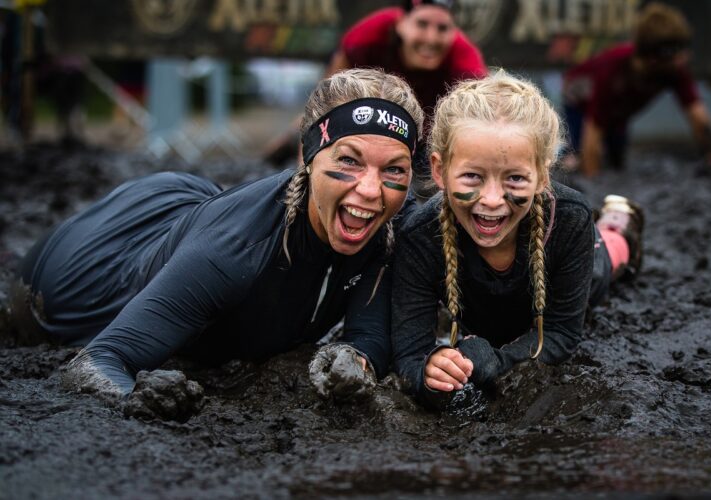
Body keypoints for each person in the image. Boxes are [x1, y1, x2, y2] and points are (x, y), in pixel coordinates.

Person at [8, 68, 424, 402]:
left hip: (192, 211)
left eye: (394, 170)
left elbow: (368, 333)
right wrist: (143, 402)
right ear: (307, 156)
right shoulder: (234, 250)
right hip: (73, 276)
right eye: (349, 161)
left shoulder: (388, 225)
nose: (372, 191)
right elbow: (98, 362)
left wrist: (357, 362)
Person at [390, 71, 644, 404]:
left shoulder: (569, 219)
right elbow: (410, 355)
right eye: (471, 177)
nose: (492, 199)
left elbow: (561, 334)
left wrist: (497, 362)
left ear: (542, 174)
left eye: (514, 179)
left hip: (569, 252)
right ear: (439, 170)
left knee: (605, 265)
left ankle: (619, 223)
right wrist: (431, 370)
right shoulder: (419, 237)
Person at [264, 0, 487, 189]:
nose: (431, 38)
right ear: (401, 23)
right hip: (361, 119)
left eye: (442, 29)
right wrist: (305, 178)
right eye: (422, 24)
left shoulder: (463, 57)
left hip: (423, 137)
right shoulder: (369, 35)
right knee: (300, 137)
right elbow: (324, 103)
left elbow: (480, 118)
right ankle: (287, 142)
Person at [562, 2, 711, 177]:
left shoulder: (674, 68)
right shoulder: (612, 72)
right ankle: (565, 156)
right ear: (654, 59)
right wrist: (592, 183)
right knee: (579, 158)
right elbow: (593, 135)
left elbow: (698, 116)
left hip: (618, 110)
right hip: (579, 101)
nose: (684, 59)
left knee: (616, 160)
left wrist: (710, 156)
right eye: (676, 53)